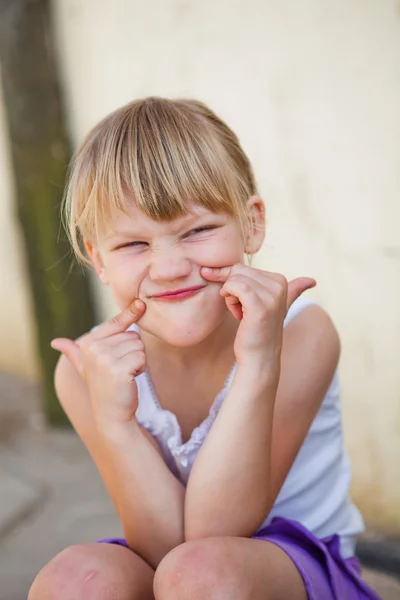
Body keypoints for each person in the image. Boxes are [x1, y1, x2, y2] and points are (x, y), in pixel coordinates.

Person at [28, 97, 381, 600]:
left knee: (201, 575)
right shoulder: (85, 371)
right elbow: (159, 547)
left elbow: (214, 539)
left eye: (197, 231)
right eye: (133, 245)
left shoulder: (303, 334)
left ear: (252, 223)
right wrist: (117, 424)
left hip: (299, 569)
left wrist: (259, 363)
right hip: (173, 563)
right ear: (97, 258)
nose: (169, 267)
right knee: (75, 581)